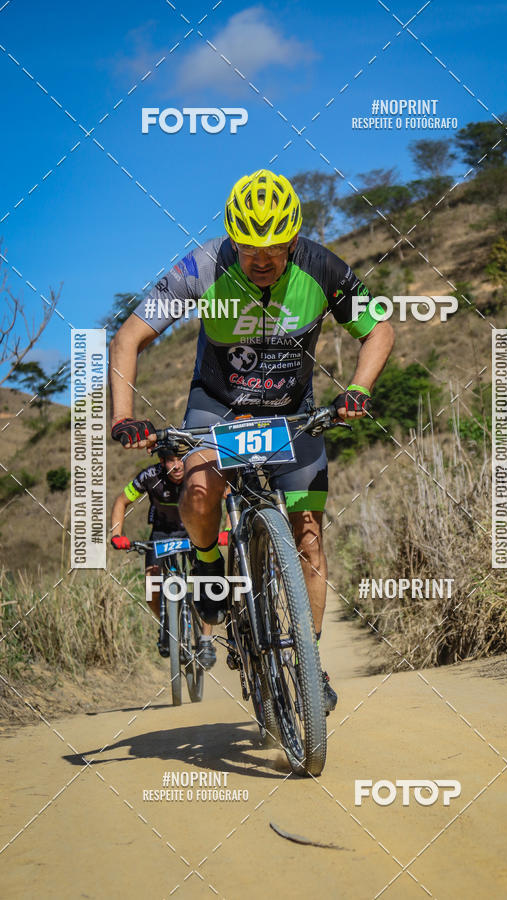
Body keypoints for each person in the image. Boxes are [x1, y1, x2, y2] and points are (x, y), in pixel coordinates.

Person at [109, 169, 394, 713]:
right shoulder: (203, 266)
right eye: (249, 249)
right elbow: (129, 338)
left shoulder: (321, 266)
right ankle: (211, 557)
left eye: (274, 249)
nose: (261, 259)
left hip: (292, 413)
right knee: (197, 492)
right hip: (217, 406)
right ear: (232, 238)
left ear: (293, 238)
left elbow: (379, 327)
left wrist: (357, 389)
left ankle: (308, 662)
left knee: (308, 532)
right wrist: (124, 419)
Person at [109, 444, 217, 668]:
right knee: (152, 586)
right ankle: (167, 625)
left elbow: (225, 494)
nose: (177, 465)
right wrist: (117, 534)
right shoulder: (149, 476)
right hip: (162, 532)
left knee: (205, 582)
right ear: (162, 463)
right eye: (171, 460)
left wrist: (224, 530)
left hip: (194, 529)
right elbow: (121, 501)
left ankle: (206, 640)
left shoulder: (196, 473)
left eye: (181, 459)